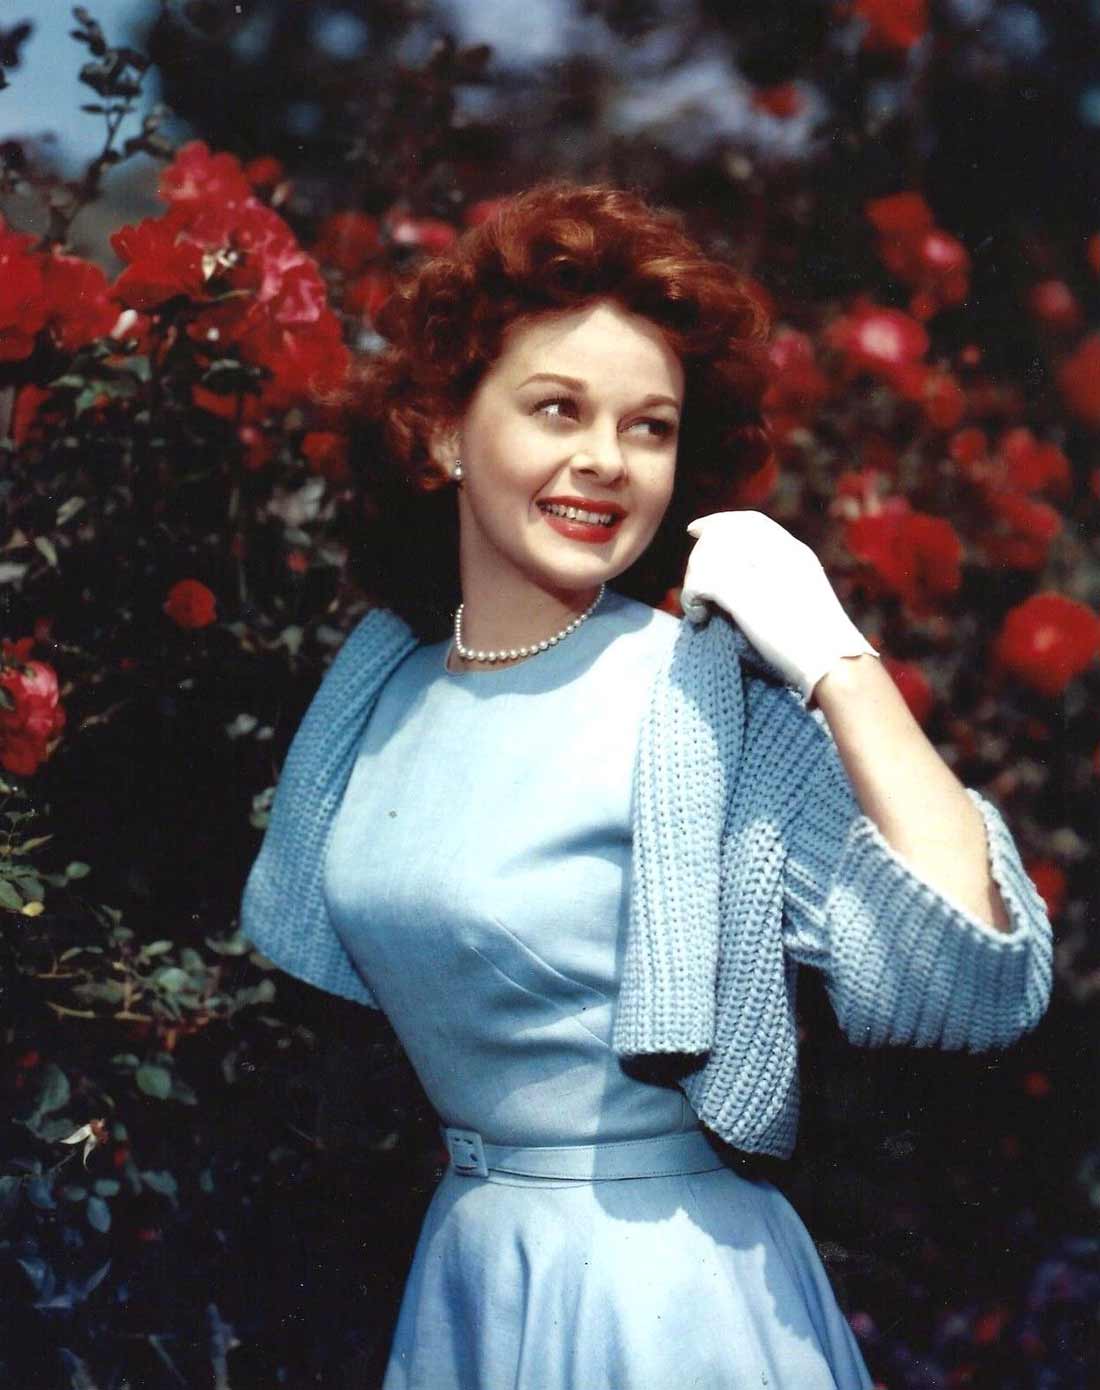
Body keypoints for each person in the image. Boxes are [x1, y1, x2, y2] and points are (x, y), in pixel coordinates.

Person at [242, 184, 1052, 1389]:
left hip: (664, 1298)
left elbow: (977, 980)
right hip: (473, 1273)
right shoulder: (383, 682)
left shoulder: (693, 700)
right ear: (442, 431)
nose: (603, 462)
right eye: (556, 407)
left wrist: (834, 659)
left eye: (648, 427)